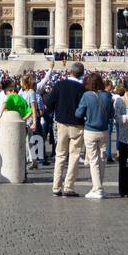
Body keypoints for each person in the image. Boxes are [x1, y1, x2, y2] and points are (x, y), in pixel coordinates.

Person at [44, 62, 87, 198]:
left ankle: (56, 187)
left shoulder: (59, 85)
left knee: (60, 155)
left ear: (69, 71)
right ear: (82, 74)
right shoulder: (82, 89)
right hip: (77, 125)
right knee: (74, 156)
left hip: (61, 124)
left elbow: (49, 104)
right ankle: (68, 187)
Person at [75, 72, 115, 199]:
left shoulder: (86, 95)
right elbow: (111, 113)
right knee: (102, 159)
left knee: (93, 160)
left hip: (90, 130)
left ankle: (97, 189)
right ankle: (98, 187)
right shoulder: (108, 96)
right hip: (104, 131)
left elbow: (79, 113)